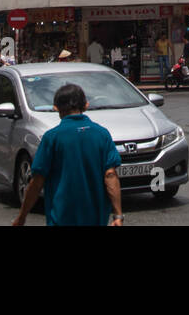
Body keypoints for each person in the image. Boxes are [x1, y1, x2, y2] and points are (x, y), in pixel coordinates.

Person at [13, 83, 124, 227]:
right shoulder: (102, 134)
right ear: (86, 105)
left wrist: (22, 216)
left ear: (56, 108)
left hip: (61, 218)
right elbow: (110, 175)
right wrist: (118, 216)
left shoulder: (52, 138)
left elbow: (37, 181)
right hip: (95, 219)